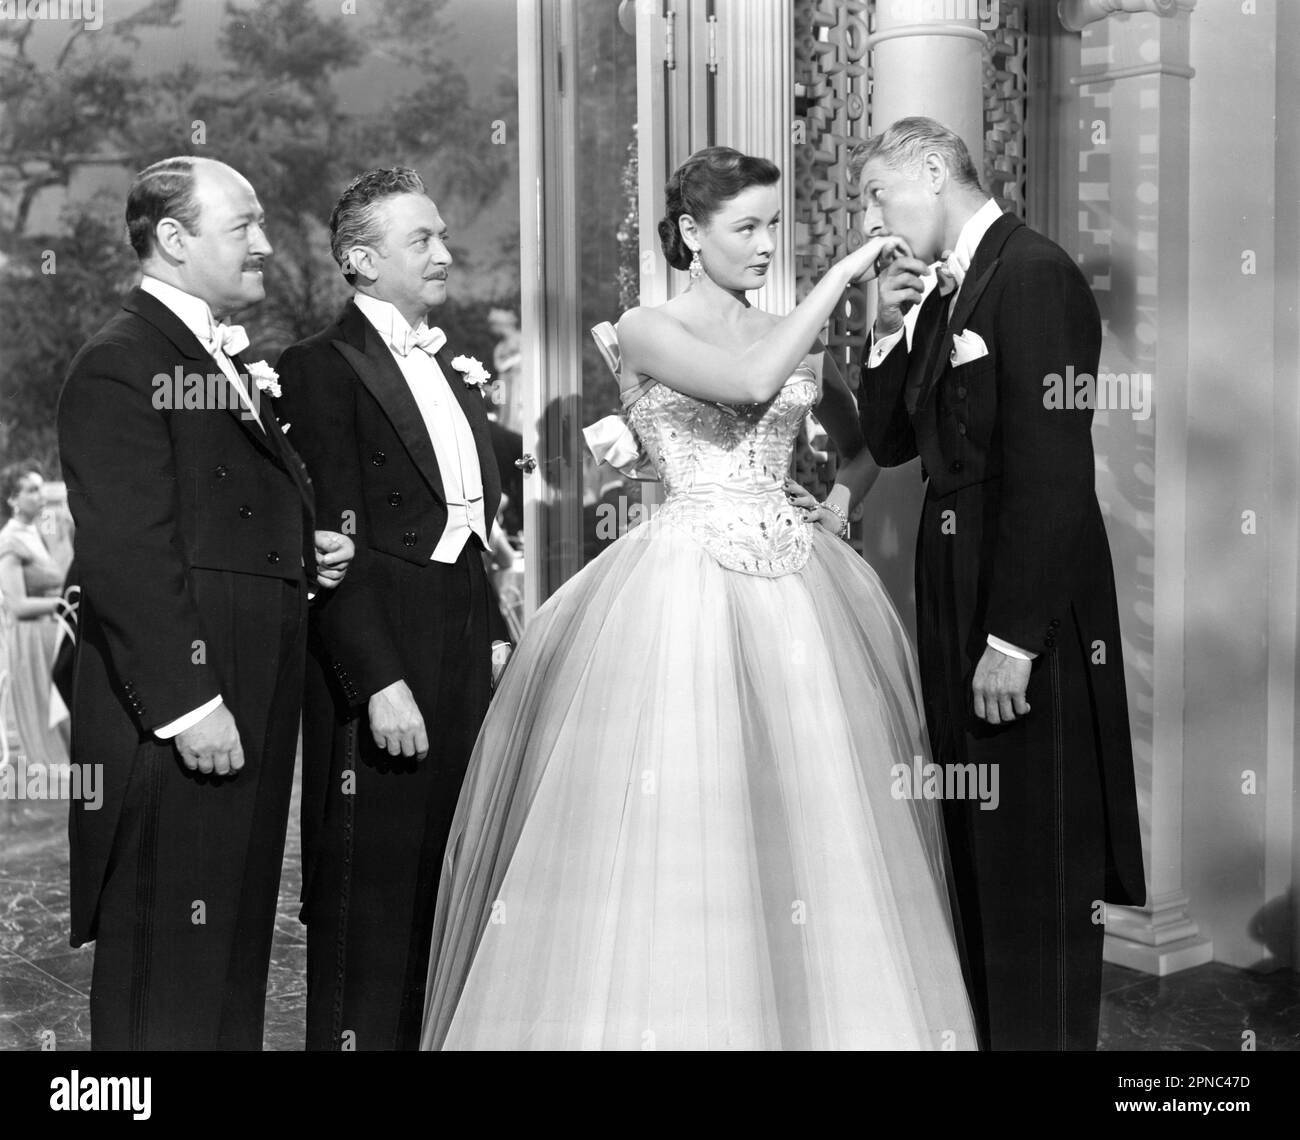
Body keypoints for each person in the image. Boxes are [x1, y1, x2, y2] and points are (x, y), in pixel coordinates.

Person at [421, 146, 977, 1050]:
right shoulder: (643, 327)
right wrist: (842, 276)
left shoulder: (790, 325)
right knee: (684, 808)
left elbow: (878, 435)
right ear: (690, 233)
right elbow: (753, 385)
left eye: (773, 226)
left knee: (815, 809)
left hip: (801, 583)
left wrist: (837, 493)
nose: (766, 246)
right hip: (681, 587)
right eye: (746, 227)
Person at [852, 117, 1145, 1050]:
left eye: (878, 195)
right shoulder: (943, 292)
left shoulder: (1034, 272)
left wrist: (1015, 639)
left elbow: (1056, 473)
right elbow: (896, 444)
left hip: (1023, 605)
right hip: (953, 587)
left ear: (934, 173)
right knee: (978, 852)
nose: (872, 221)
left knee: (1036, 862)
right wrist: (887, 325)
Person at [58, 155, 352, 1050]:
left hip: (240, 704)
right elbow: (127, 553)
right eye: (245, 226)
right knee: (166, 982)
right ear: (175, 240)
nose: (266, 243)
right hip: (181, 716)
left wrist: (302, 550)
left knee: (226, 958)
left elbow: (204, 516)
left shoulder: (211, 353)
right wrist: (190, 709)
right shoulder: (122, 362)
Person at [275, 167, 501, 1051]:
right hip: (383, 652)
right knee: (367, 893)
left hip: (458, 640)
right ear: (361, 261)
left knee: (446, 879)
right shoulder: (317, 368)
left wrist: (495, 641)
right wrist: (377, 681)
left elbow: (470, 525)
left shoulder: (448, 365)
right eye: (422, 241)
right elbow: (328, 547)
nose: (444, 253)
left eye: (442, 236)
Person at [0, 463, 71, 796]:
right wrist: (65, 605)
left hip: (51, 635)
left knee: (64, 717)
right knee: (47, 725)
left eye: (41, 487)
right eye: (31, 489)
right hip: (30, 641)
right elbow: (17, 605)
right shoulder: (9, 542)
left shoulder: (40, 531)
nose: (40, 495)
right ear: (13, 499)